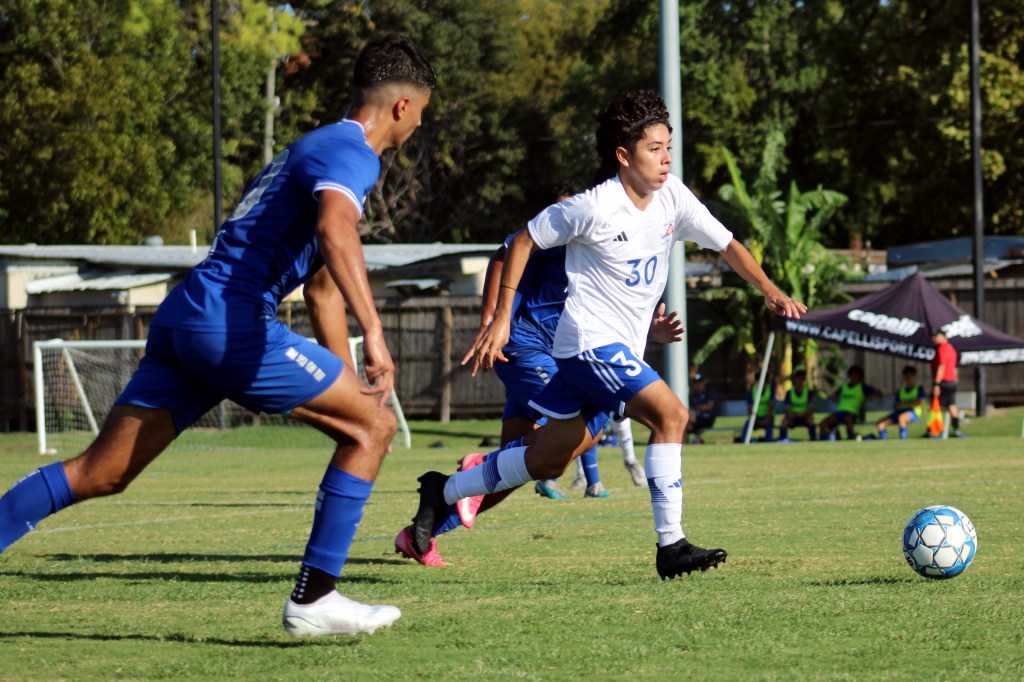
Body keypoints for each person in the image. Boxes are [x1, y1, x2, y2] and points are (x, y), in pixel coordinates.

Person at [0, 34, 436, 637]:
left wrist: (346, 383)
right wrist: (376, 339)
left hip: (188, 317)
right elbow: (338, 232)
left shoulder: (312, 148)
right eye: (422, 113)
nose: (417, 127)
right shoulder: (352, 152)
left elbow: (322, 290)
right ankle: (315, 599)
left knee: (103, 473)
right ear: (402, 107)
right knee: (377, 427)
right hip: (228, 320)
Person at [408, 89, 806, 580]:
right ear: (624, 156)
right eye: (654, 149)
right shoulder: (592, 207)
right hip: (587, 346)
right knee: (672, 414)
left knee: (549, 458)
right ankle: (671, 544)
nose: (665, 159)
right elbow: (523, 240)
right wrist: (502, 316)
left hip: (609, 350)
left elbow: (727, 244)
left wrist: (768, 288)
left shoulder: (673, 196)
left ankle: (443, 491)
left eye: (668, 146)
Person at [393, 182, 683, 567]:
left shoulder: (599, 242)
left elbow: (603, 308)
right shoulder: (557, 234)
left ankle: (419, 533)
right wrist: (493, 320)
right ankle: (471, 471)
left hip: (558, 354)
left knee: (526, 464)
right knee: (570, 438)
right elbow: (505, 252)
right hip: (526, 348)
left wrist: (648, 330)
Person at [818, 365, 881, 441]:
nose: (853, 377)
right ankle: (825, 439)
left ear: (860, 377)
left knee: (848, 418)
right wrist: (834, 397)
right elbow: (834, 396)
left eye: (855, 375)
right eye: (852, 375)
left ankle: (850, 437)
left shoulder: (863, 387)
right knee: (823, 423)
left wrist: (873, 396)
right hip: (840, 412)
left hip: (852, 413)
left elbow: (878, 392)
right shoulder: (844, 387)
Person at [930, 327, 967, 438]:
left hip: (943, 381)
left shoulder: (942, 348)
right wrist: (956, 378)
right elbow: (955, 367)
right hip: (952, 381)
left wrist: (937, 384)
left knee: (936, 404)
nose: (934, 339)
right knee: (951, 405)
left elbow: (942, 366)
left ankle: (934, 431)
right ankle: (956, 430)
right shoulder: (952, 348)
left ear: (943, 336)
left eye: (936, 336)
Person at [876, 365, 925, 440]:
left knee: (902, 418)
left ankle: (902, 440)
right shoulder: (901, 390)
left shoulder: (919, 388)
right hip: (899, 412)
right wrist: (908, 403)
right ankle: (884, 442)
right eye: (906, 376)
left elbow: (920, 402)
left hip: (913, 412)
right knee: (880, 424)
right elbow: (896, 405)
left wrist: (905, 403)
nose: (908, 378)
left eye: (910, 375)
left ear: (914, 376)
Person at [777, 368, 816, 442]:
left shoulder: (809, 393)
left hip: (805, 416)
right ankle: (782, 440)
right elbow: (787, 408)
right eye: (799, 378)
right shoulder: (789, 393)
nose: (800, 381)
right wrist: (791, 415)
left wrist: (803, 414)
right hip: (793, 417)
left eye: (802, 379)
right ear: (795, 379)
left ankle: (813, 440)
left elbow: (811, 408)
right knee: (784, 422)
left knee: (810, 420)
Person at [684, 373, 717, 444]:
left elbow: (709, 407)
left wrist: (697, 408)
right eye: (695, 383)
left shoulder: (709, 392)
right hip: (695, 420)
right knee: (685, 424)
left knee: (687, 417)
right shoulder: (694, 396)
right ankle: (686, 443)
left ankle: (685, 442)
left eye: (699, 383)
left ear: (703, 383)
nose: (697, 385)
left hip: (707, 418)